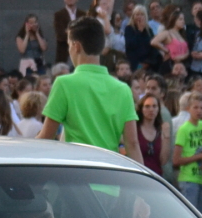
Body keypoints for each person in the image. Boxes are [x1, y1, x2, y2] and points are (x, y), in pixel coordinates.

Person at [38, 16, 140, 160]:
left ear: (76, 46)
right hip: (110, 175)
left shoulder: (64, 83)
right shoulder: (123, 89)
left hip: (77, 176)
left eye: (68, 45)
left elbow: (46, 137)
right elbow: (133, 144)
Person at [172, 93, 202, 217]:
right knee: (190, 216)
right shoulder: (184, 129)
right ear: (188, 108)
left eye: (201, 108)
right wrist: (200, 156)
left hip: (201, 178)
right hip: (188, 179)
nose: (199, 111)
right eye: (195, 107)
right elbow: (176, 160)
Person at [136, 91, 171, 176]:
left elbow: (163, 161)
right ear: (141, 109)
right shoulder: (135, 129)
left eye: (154, 106)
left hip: (156, 176)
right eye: (147, 106)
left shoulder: (160, 130)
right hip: (138, 174)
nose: (151, 109)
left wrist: (166, 137)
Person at [151, 7, 190, 72]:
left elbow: (187, 50)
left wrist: (182, 57)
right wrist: (166, 51)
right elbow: (154, 42)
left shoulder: (182, 34)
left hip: (182, 64)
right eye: (180, 19)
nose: (183, 21)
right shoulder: (167, 32)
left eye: (183, 19)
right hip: (170, 65)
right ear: (174, 20)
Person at [125, 6, 157, 71]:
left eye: (142, 14)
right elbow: (130, 45)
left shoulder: (149, 30)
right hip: (134, 63)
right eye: (137, 14)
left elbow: (153, 48)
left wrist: (148, 62)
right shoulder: (129, 29)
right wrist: (139, 31)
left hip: (148, 64)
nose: (139, 17)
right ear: (133, 16)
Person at [54, 0, 82, 65]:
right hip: (64, 54)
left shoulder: (83, 14)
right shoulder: (58, 15)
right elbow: (60, 35)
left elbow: (85, 33)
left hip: (80, 53)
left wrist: (69, 31)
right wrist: (78, 32)